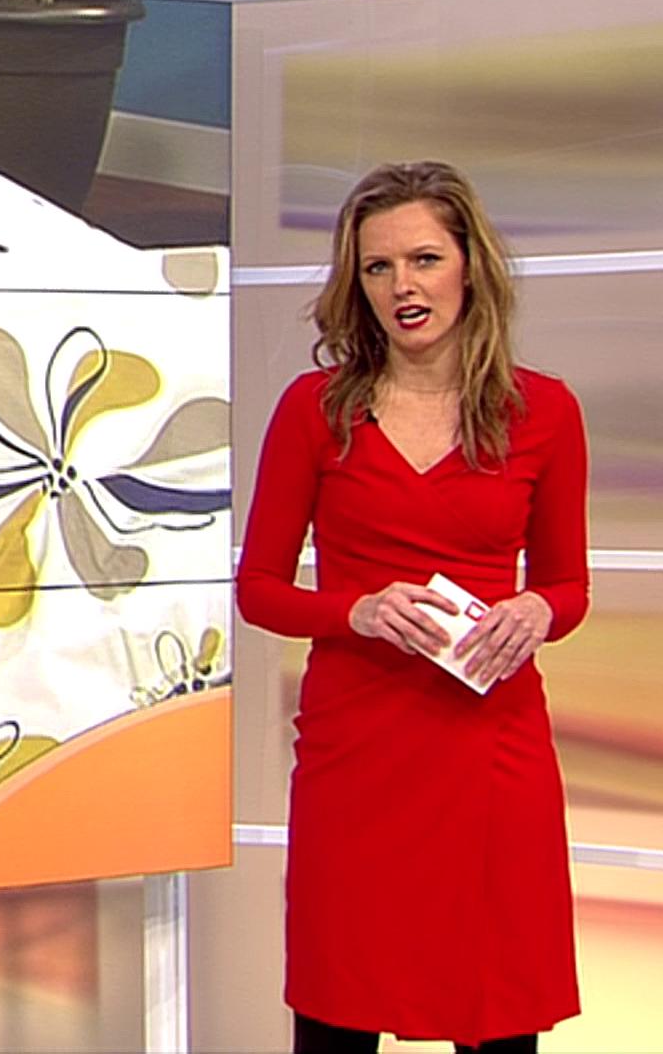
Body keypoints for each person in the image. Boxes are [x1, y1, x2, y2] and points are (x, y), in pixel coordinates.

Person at [236, 162, 589, 1053]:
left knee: (495, 1003)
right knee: (339, 1003)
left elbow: (568, 586)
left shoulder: (544, 412)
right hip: (357, 751)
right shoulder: (315, 411)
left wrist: (538, 613)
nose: (403, 286)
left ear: (470, 265)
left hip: (489, 746)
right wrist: (354, 613)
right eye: (378, 267)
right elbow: (260, 589)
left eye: (424, 259)